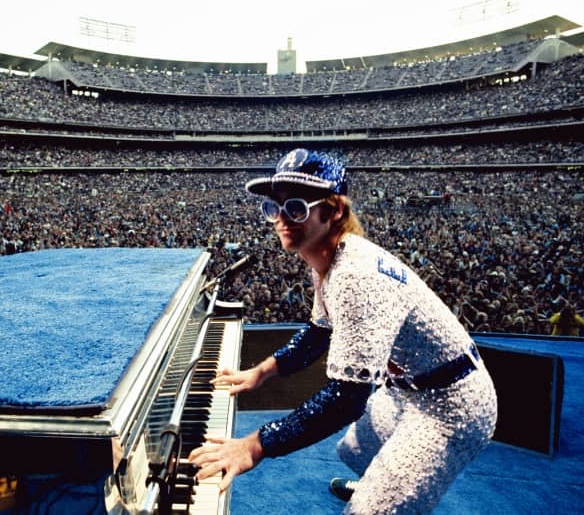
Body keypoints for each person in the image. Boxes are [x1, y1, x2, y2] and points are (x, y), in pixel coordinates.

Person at [189, 148, 498, 514]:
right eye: (276, 208)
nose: (282, 220)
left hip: (452, 406)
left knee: (369, 510)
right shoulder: (325, 256)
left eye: (297, 208)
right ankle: (384, 484)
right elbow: (317, 333)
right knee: (352, 451)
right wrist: (262, 372)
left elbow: (347, 399)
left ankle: (388, 498)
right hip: (406, 389)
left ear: (333, 210)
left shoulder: (355, 274)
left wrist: (257, 444)